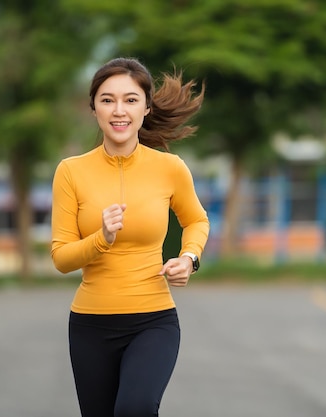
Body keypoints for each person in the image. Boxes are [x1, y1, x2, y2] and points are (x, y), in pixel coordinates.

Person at [50, 57, 210, 417]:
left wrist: (190, 258)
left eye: (130, 99)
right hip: (90, 325)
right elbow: (61, 258)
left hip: (153, 320)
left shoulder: (170, 168)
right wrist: (101, 237)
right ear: (93, 109)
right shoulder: (71, 172)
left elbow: (197, 221)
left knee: (135, 409)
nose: (118, 110)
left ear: (146, 108)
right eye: (107, 100)